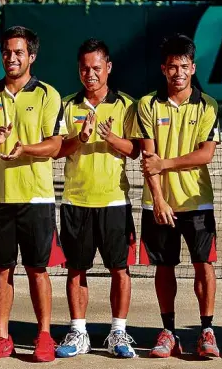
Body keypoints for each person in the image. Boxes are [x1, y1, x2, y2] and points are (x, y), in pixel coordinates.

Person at [0, 26, 67, 363]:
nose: (11, 57)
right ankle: (2, 336)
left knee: (38, 269)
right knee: (1, 270)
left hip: (36, 198)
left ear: (31, 56)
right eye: (7, 52)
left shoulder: (48, 95)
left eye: (19, 52)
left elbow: (55, 146)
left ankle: (43, 336)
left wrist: (25, 149)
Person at [133, 34, 220, 358]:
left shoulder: (207, 105)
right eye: (172, 67)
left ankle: (207, 331)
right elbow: (147, 158)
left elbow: (205, 154)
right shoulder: (147, 105)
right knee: (164, 268)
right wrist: (158, 200)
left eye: (183, 66)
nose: (178, 73)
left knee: (204, 265)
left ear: (193, 67)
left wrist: (166, 163)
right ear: (163, 69)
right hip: (159, 203)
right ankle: (169, 331)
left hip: (197, 202)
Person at [54, 38, 139, 359]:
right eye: (84, 69)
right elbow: (57, 150)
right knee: (76, 270)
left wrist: (111, 138)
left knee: (120, 269)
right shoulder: (67, 105)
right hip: (76, 204)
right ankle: (79, 332)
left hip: (115, 203)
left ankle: (118, 331)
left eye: (96, 68)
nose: (90, 74)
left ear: (109, 68)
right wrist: (81, 138)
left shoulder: (127, 106)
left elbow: (137, 151)